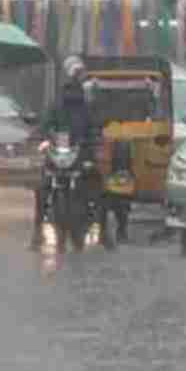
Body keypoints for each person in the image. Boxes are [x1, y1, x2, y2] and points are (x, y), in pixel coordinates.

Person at [32, 55, 119, 248]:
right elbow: (45, 125)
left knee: (100, 189)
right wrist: (44, 136)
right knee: (42, 187)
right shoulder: (56, 106)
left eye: (79, 77)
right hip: (59, 155)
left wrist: (93, 139)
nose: (74, 88)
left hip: (82, 154)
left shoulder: (87, 106)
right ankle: (37, 232)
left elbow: (95, 125)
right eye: (74, 77)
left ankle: (104, 232)